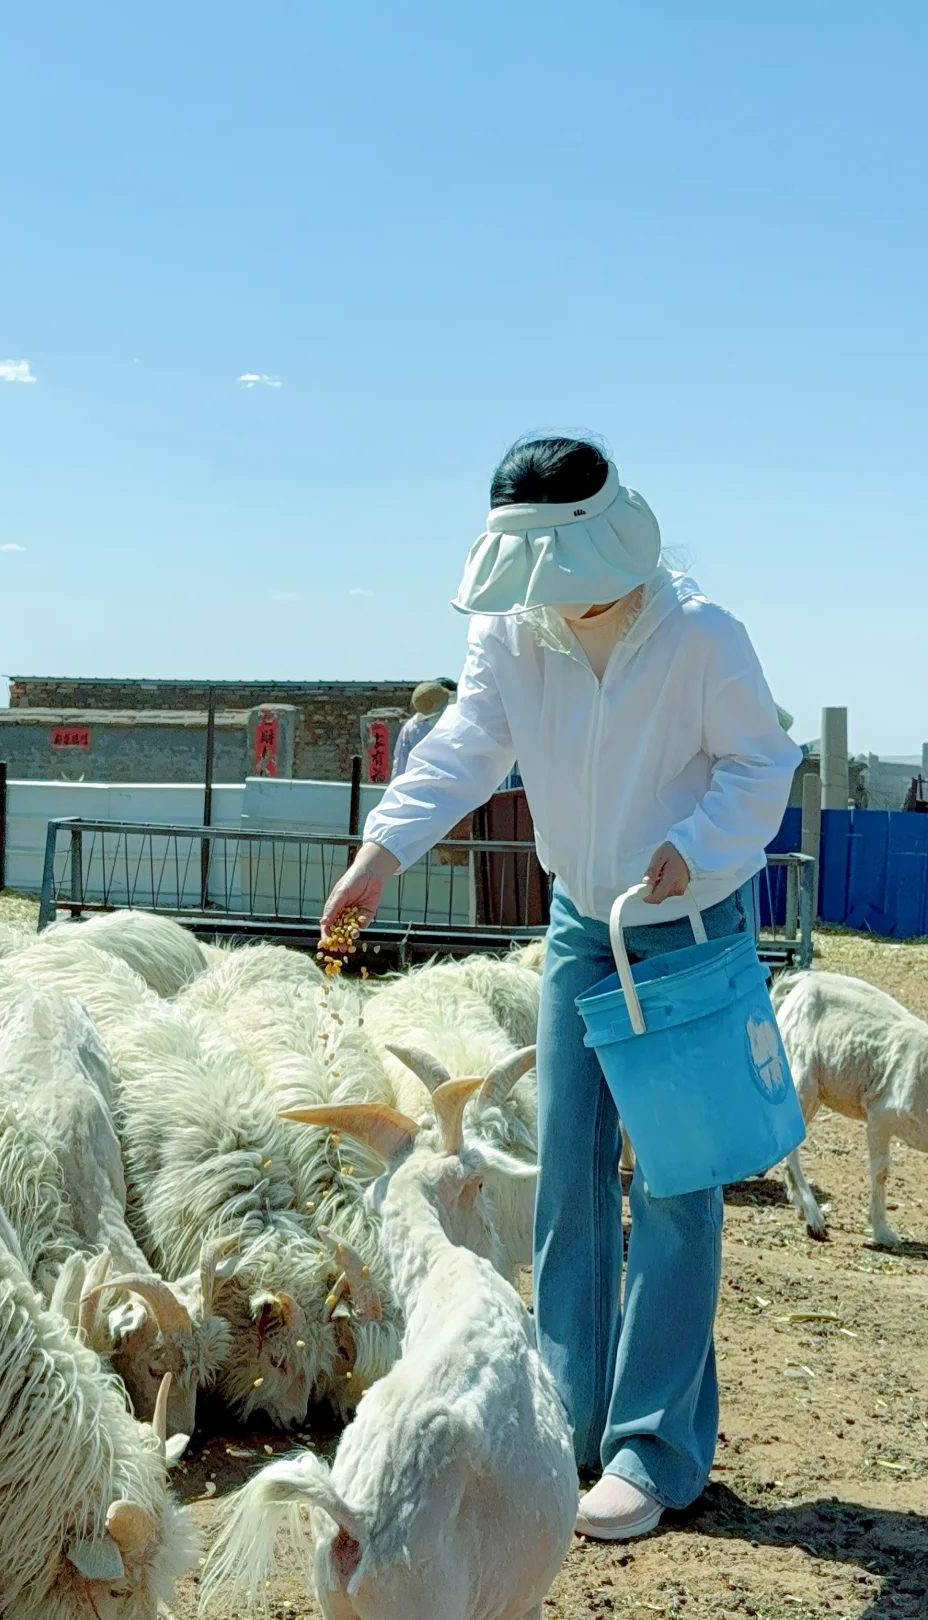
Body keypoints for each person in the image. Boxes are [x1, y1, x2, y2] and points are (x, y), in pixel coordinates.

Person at [321, 435, 801, 1542]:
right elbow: (465, 746)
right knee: (567, 1182)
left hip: (685, 930)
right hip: (583, 926)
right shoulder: (512, 630)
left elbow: (761, 763)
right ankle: (564, 1422)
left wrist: (696, 847)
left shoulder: (701, 636)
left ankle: (652, 1450)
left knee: (676, 1185)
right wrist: (380, 853)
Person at [391, 679, 456, 777]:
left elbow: (400, 762)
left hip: (417, 780)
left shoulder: (410, 726)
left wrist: (395, 783)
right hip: (448, 781)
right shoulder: (453, 723)